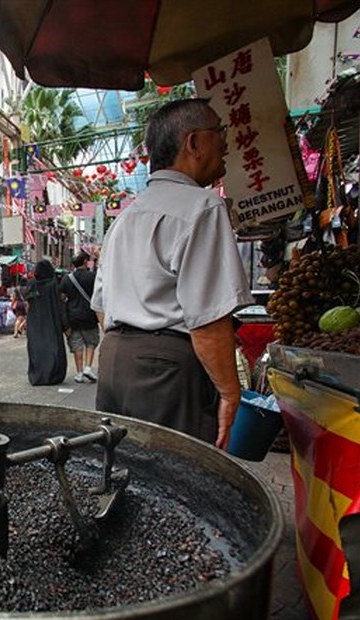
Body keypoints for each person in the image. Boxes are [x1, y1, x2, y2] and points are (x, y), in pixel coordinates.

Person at [91, 98, 252, 449]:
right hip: (166, 371)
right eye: (218, 133)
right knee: (177, 480)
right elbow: (206, 320)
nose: (225, 143)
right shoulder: (202, 206)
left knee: (123, 465)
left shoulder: (125, 218)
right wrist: (229, 393)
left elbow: (102, 307)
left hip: (115, 360)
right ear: (193, 143)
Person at [58, 251, 100, 383]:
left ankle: (79, 373)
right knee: (91, 342)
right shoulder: (93, 277)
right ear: (85, 262)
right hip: (90, 315)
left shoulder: (66, 279)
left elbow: (62, 298)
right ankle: (88, 367)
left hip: (73, 317)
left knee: (77, 345)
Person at [25, 260, 67, 385]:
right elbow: (60, 305)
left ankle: (38, 375)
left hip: (35, 322)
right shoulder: (53, 285)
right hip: (51, 320)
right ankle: (53, 375)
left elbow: (28, 304)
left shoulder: (31, 285)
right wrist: (65, 324)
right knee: (53, 347)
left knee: (36, 348)